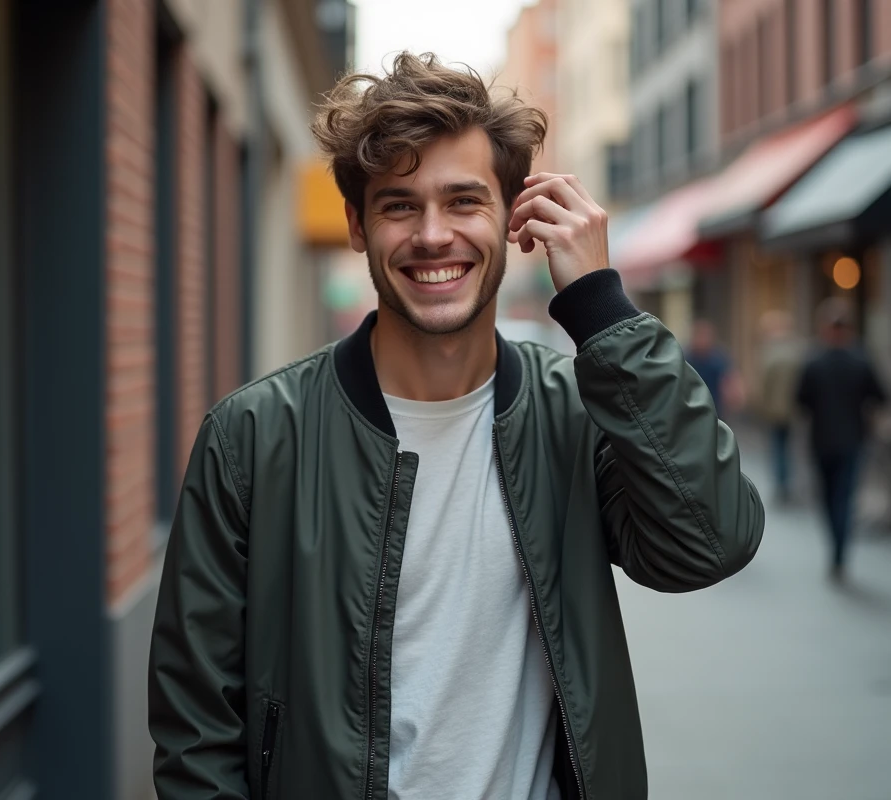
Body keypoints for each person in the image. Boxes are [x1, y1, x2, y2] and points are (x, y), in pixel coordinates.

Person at [148, 52, 765, 800]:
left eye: (465, 201)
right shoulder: (251, 438)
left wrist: (604, 311)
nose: (433, 235)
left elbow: (710, 542)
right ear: (357, 224)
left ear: (514, 219)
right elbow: (195, 734)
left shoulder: (575, 413)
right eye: (400, 204)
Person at [796, 297, 888, 580]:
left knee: (828, 497)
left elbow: (801, 401)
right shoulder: (860, 359)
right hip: (852, 440)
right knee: (843, 498)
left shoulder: (814, 361)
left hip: (822, 439)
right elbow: (882, 396)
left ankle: (836, 548)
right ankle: (840, 551)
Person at [758, 310, 806, 504]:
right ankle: (791, 482)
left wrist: (763, 406)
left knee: (778, 447)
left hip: (775, 410)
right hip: (795, 409)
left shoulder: (770, 352)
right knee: (793, 446)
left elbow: (765, 384)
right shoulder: (798, 350)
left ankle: (782, 483)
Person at [686, 319, 745, 417]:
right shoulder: (686, 358)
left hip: (715, 409)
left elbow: (731, 379)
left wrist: (735, 395)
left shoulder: (718, 359)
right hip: (691, 409)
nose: (702, 340)